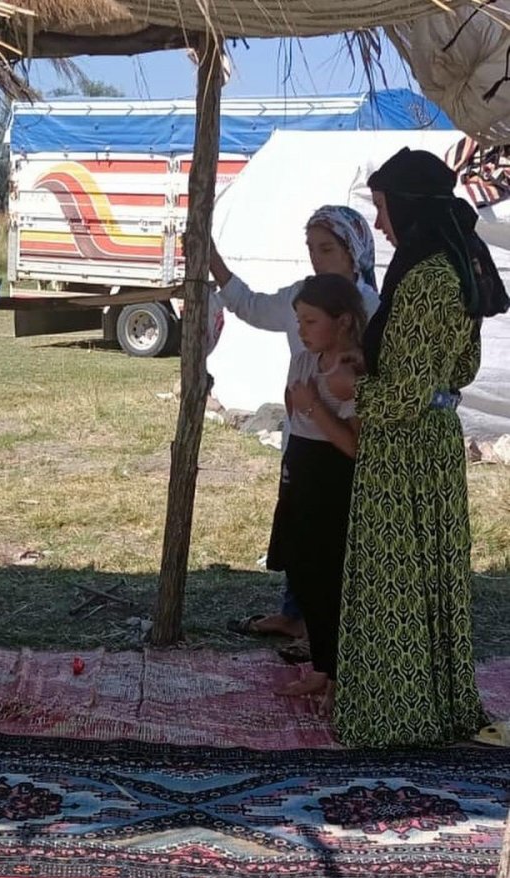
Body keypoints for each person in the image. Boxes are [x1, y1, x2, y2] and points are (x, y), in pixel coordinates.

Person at [335, 148, 509, 748]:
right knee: (432, 573)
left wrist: (352, 386)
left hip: (402, 449)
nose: (380, 224)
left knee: (398, 577)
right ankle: (434, 702)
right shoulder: (459, 263)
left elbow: (406, 392)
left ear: (406, 206)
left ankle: (397, 713)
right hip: (436, 442)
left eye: (382, 208)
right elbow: (457, 365)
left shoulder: (425, 275)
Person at [211, 205, 379, 650]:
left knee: (333, 540)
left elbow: (376, 382)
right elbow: (251, 306)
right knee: (300, 532)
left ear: (353, 250)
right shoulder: (302, 295)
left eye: (326, 248)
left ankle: (329, 639)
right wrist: (212, 260)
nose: (316, 258)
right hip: (303, 438)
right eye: (310, 248)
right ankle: (297, 618)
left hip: (341, 444)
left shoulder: (372, 308)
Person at [266, 274, 366, 712]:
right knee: (302, 571)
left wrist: (314, 405)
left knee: (329, 580)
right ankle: (322, 667)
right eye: (299, 321)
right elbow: (293, 412)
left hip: (331, 481)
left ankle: (341, 676)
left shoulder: (353, 371)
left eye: (310, 321)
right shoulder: (305, 362)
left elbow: (352, 445)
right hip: (300, 473)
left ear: (341, 321)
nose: (301, 330)